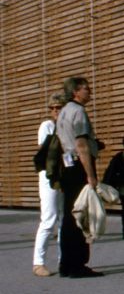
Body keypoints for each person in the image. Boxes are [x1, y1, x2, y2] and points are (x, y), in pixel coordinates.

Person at [54, 76, 103, 278]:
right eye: (86, 89)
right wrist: (90, 175)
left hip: (67, 166)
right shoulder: (79, 112)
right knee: (81, 214)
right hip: (79, 166)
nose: (89, 92)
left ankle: (65, 264)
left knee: (68, 215)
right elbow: (81, 145)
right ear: (76, 91)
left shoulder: (63, 111)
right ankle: (78, 265)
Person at [33, 91, 67, 277]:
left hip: (63, 175)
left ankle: (63, 259)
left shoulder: (66, 125)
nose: (55, 111)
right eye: (52, 108)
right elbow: (48, 151)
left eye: (59, 108)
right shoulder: (47, 126)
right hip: (49, 175)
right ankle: (39, 263)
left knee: (64, 219)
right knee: (49, 218)